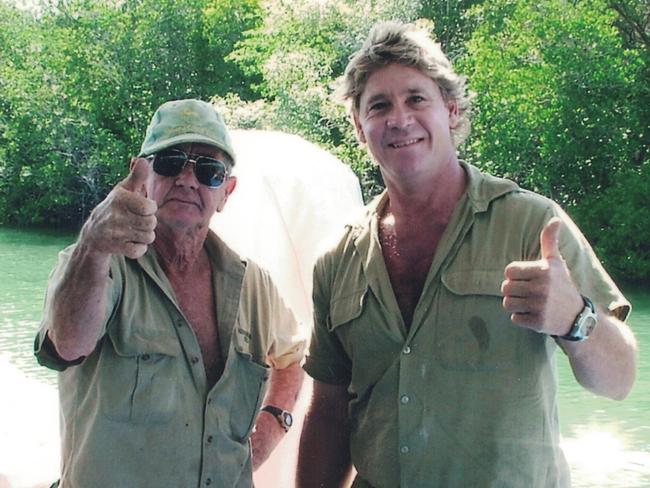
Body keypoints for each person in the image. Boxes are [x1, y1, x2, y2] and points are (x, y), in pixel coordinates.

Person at [296, 21, 638, 488]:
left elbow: (620, 380)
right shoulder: (336, 258)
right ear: (359, 127)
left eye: (417, 98)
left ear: (451, 111)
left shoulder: (533, 224)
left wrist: (576, 319)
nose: (399, 118)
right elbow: (329, 413)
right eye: (379, 105)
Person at [34, 99, 305, 488]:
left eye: (209, 171)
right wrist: (92, 244)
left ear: (226, 192)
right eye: (170, 162)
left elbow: (292, 359)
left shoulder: (253, 286)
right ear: (140, 174)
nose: (188, 179)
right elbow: (67, 343)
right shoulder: (100, 264)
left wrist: (270, 429)